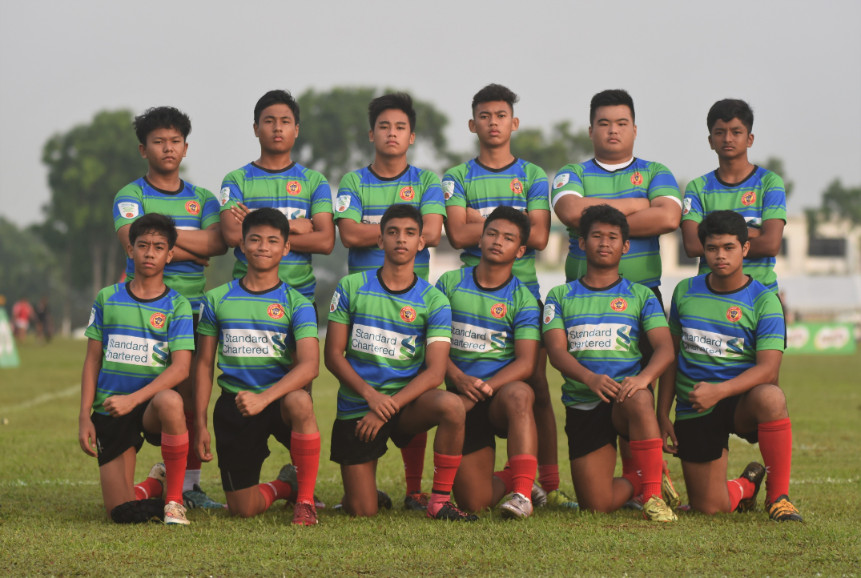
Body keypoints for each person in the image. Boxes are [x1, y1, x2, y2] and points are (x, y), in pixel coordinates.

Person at [550, 89, 682, 503]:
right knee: (598, 384)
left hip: (640, 295)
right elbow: (571, 212)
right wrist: (636, 204)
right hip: (582, 300)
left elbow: (669, 216)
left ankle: (648, 479)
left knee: (637, 389)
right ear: (591, 129)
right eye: (604, 123)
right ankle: (642, 480)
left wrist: (600, 215)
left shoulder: (656, 171)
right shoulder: (571, 172)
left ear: (635, 129)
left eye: (621, 123)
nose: (613, 130)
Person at [442, 84, 570, 507]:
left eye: (500, 115)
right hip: (469, 292)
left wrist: (477, 218)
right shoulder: (456, 176)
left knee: (535, 388)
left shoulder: (532, 175)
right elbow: (455, 234)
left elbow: (539, 236)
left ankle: (546, 485)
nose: (493, 123)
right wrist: (510, 223)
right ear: (472, 124)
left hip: (522, 291)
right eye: (484, 115)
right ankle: (503, 476)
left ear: (514, 123)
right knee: (456, 378)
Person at [325, 204, 475, 521]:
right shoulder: (351, 286)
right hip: (360, 405)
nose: (401, 239)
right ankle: (362, 492)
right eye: (392, 232)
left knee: (452, 406)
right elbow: (333, 356)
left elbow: (436, 371)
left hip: (406, 405)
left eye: (409, 233)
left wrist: (388, 405)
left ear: (421, 242)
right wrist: (372, 398)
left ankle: (438, 501)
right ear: (380, 240)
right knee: (362, 510)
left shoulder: (434, 300)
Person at [334, 92, 446, 509]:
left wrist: (377, 228)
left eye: (400, 127)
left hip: (412, 299)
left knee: (411, 381)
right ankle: (364, 479)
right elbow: (347, 234)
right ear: (371, 134)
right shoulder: (353, 182)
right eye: (384, 126)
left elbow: (433, 233)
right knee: (364, 369)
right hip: (365, 299)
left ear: (411, 136)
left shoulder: (427, 182)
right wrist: (402, 230)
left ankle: (415, 489)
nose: (392, 133)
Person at [113, 106, 227, 509]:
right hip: (139, 312)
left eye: (175, 141)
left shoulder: (203, 198)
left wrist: (163, 240)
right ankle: (139, 475)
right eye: (158, 141)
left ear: (185, 147)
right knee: (129, 392)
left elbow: (218, 243)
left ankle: (189, 486)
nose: (168, 148)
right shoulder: (130, 196)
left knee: (191, 396)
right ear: (143, 149)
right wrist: (191, 249)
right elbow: (132, 242)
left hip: (192, 312)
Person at [658, 210, 801, 522]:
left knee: (771, 397)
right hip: (696, 404)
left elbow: (768, 370)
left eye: (728, 247)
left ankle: (778, 498)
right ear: (703, 250)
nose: (720, 255)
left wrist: (719, 391)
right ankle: (745, 486)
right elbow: (671, 356)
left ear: (745, 248)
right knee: (710, 508)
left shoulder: (764, 301)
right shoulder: (685, 291)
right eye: (712, 248)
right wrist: (662, 412)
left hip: (741, 402)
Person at [543, 205, 677, 522]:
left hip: (625, 400)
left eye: (613, 237)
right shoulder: (559, 296)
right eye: (597, 236)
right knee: (596, 505)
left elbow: (665, 349)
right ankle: (643, 478)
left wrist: (643, 379)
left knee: (640, 397)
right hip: (583, 401)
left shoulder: (641, 295)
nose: (604, 243)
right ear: (581, 242)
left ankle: (653, 496)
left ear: (625, 246)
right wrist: (589, 378)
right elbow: (556, 352)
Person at [194, 208, 322, 525]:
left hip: (278, 400)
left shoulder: (298, 303)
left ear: (286, 247)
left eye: (272, 241)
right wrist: (199, 422)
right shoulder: (215, 299)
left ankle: (305, 502)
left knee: (300, 400)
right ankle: (285, 485)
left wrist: (264, 399)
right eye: (255, 239)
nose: (263, 247)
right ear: (242, 245)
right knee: (244, 509)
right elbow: (204, 363)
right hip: (235, 403)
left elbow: (310, 366)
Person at [78, 213, 193, 525]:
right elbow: (92, 360)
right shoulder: (107, 298)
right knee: (121, 512)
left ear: (170, 254)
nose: (149, 253)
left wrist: (134, 399)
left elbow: (181, 368)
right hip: (112, 408)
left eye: (158, 247)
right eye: (143, 245)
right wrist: (84, 415)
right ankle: (155, 483)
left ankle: (174, 502)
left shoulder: (178, 305)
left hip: (150, 407)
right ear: (130, 249)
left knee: (171, 401)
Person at [436, 207, 541, 519]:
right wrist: (459, 380)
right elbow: (433, 346)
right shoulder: (449, 283)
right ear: (480, 239)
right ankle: (511, 475)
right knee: (475, 502)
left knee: (521, 393)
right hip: (460, 398)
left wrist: (482, 389)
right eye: (492, 234)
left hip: (499, 397)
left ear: (520, 251)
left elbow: (526, 362)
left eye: (508, 238)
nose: (498, 241)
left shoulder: (523, 298)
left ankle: (522, 493)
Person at [219, 89, 335, 303]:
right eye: (269, 121)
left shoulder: (314, 181)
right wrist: (291, 226)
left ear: (296, 130)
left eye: (285, 121)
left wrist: (254, 229)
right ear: (256, 129)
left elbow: (325, 241)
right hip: (245, 297)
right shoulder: (236, 180)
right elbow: (232, 235)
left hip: (300, 297)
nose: (278, 128)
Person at [681, 99, 786, 294]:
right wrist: (750, 233)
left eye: (736, 132)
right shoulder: (697, 188)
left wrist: (714, 241)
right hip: (710, 295)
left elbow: (771, 244)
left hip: (761, 294)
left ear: (750, 139)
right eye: (720, 132)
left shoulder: (770, 183)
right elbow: (692, 245)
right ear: (710, 141)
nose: (728, 139)